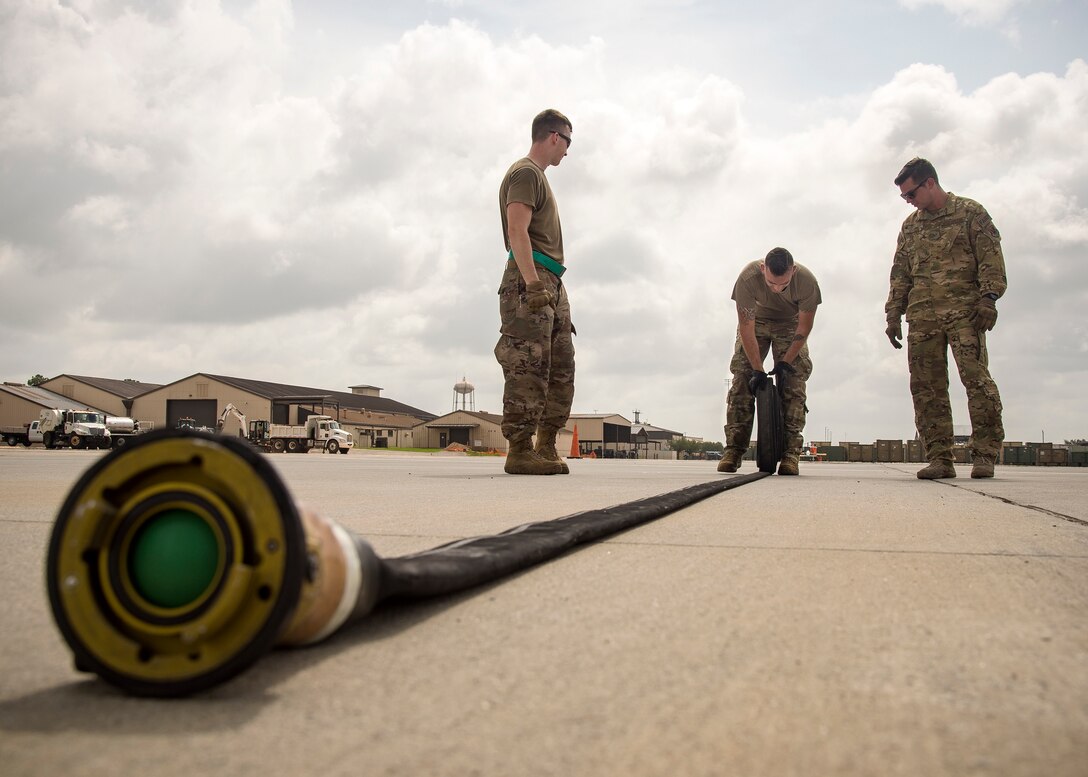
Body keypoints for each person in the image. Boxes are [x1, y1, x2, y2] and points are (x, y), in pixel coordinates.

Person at [884, 157, 1007, 479]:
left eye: (910, 194)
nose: (908, 202)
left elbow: (991, 259)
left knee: (976, 381)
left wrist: (989, 299)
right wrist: (893, 314)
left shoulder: (970, 213)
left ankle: (985, 454)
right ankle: (940, 458)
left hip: (965, 314)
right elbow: (900, 273)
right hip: (922, 316)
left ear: (929, 183)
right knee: (925, 388)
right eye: (904, 198)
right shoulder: (911, 226)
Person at [494, 109, 576, 475]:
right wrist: (532, 283)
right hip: (533, 276)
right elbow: (517, 230)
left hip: (552, 280)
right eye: (568, 142)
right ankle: (520, 449)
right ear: (554, 137)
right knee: (528, 364)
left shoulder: (539, 178)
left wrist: (551, 289)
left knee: (560, 367)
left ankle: (544, 445)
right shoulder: (526, 173)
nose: (568, 152)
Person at [718, 247, 821, 476]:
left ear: (793, 271)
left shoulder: (807, 282)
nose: (776, 289)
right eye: (771, 283)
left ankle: (790, 455)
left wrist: (785, 362)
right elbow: (746, 327)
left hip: (790, 324)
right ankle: (733, 451)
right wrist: (757, 369)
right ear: (763, 268)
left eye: (782, 285)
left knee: (794, 384)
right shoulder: (747, 278)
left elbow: (804, 328)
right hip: (758, 322)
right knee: (742, 380)